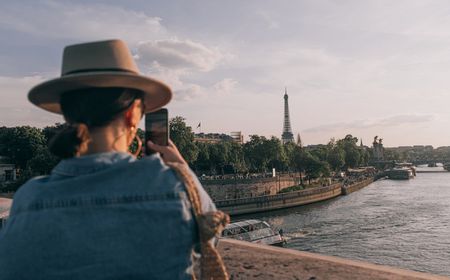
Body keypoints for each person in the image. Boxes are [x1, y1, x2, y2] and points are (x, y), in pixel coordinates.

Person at [0, 39, 225, 279]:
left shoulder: (30, 197)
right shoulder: (176, 186)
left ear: (66, 115)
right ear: (131, 115)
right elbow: (211, 237)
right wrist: (182, 169)